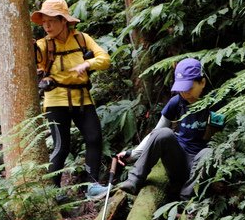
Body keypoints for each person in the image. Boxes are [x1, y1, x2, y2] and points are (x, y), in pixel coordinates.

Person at [96, 57, 225, 200]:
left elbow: (223, 140)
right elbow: (156, 133)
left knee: (208, 152)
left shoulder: (216, 104)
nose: (184, 93)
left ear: (202, 82)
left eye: (189, 88)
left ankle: (187, 199)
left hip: (201, 166)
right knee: (164, 133)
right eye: (181, 88)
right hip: (178, 161)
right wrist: (133, 154)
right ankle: (133, 181)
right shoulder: (176, 102)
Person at [31, 0, 111, 199]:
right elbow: (31, 59)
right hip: (55, 100)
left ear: (63, 20)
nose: (46, 25)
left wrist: (87, 64)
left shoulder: (82, 39)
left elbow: (105, 59)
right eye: (44, 21)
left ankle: (91, 186)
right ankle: (53, 191)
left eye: (51, 20)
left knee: (94, 139)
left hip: (82, 98)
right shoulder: (42, 45)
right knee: (61, 146)